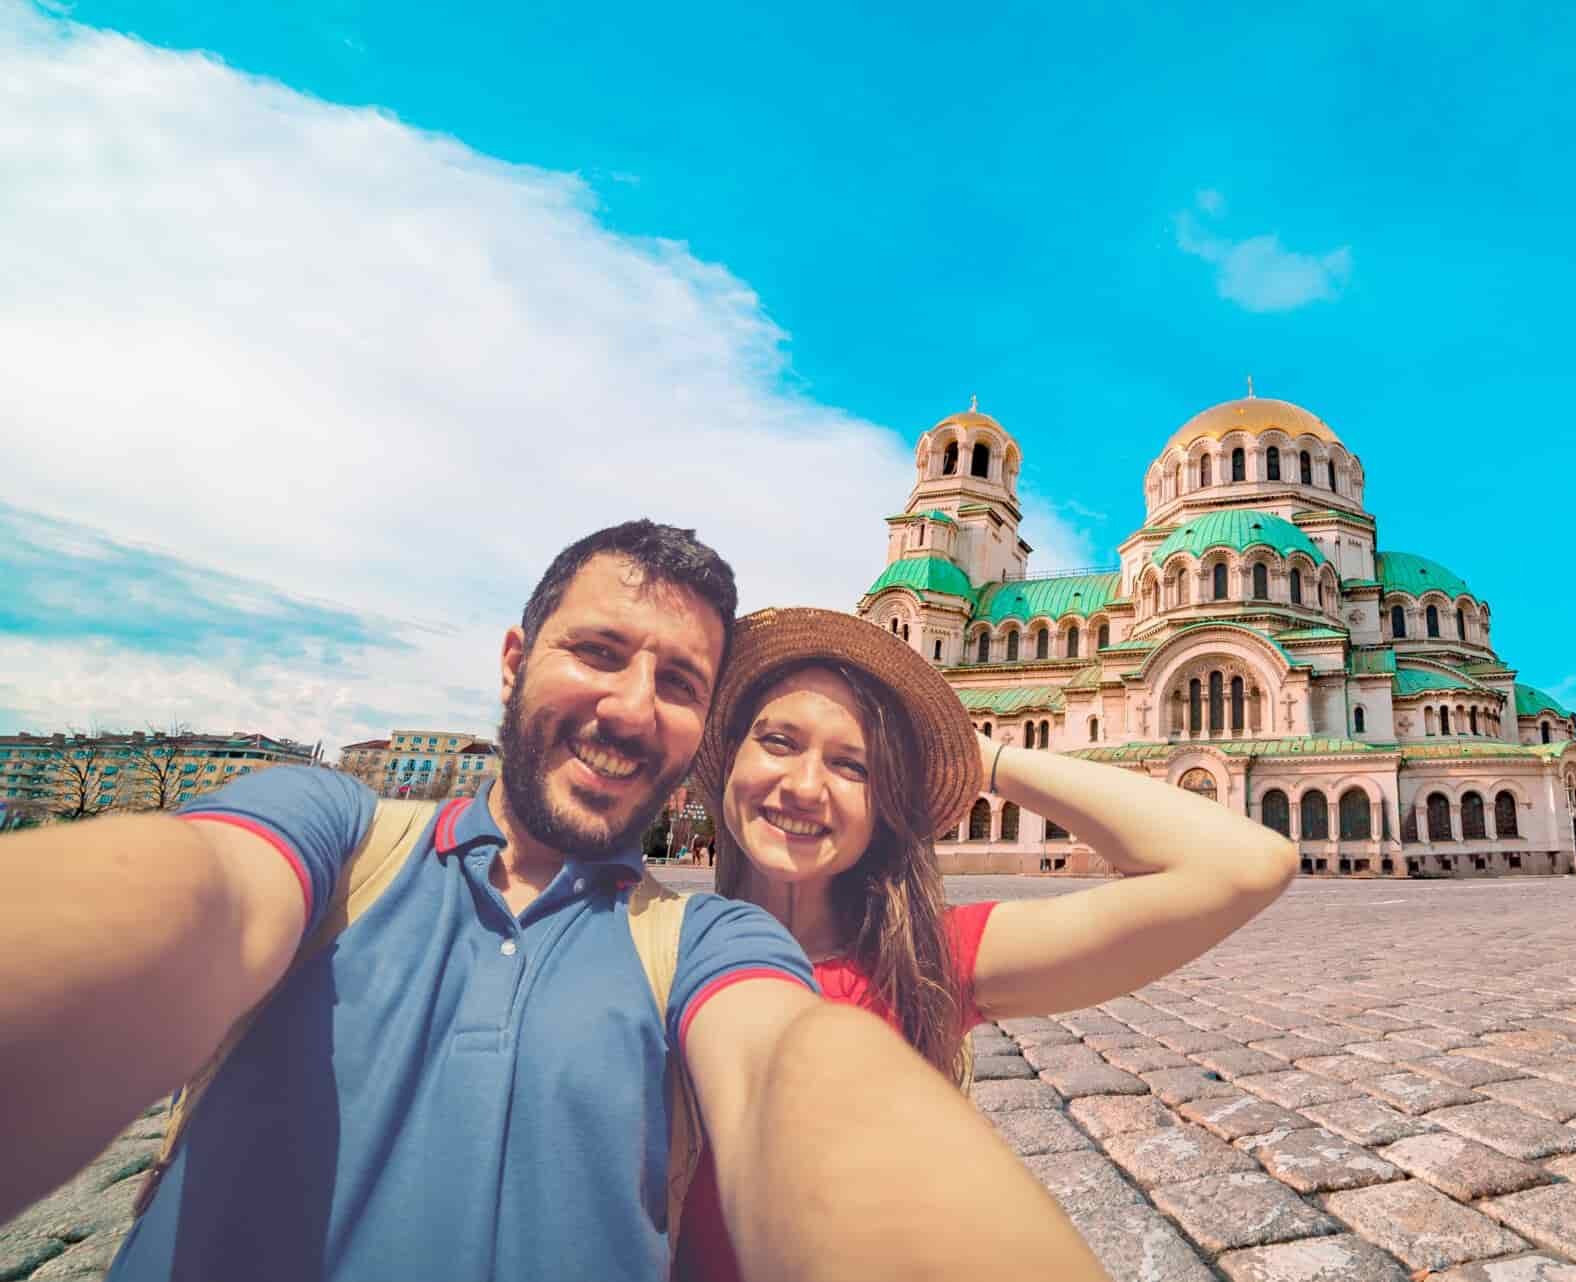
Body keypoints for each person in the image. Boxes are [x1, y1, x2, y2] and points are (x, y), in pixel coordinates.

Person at [0, 522, 1104, 1282]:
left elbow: (792, 1070)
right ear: (515, 659)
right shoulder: (334, 839)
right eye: (599, 652)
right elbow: (179, 899)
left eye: (678, 682)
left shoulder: (708, 937)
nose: (631, 707)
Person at [677, 606, 1301, 1282]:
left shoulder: (928, 959)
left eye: (852, 766)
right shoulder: (645, 936)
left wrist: (985, 758)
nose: (804, 786)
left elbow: (1247, 864)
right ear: (729, 756)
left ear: (889, 803)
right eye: (777, 740)